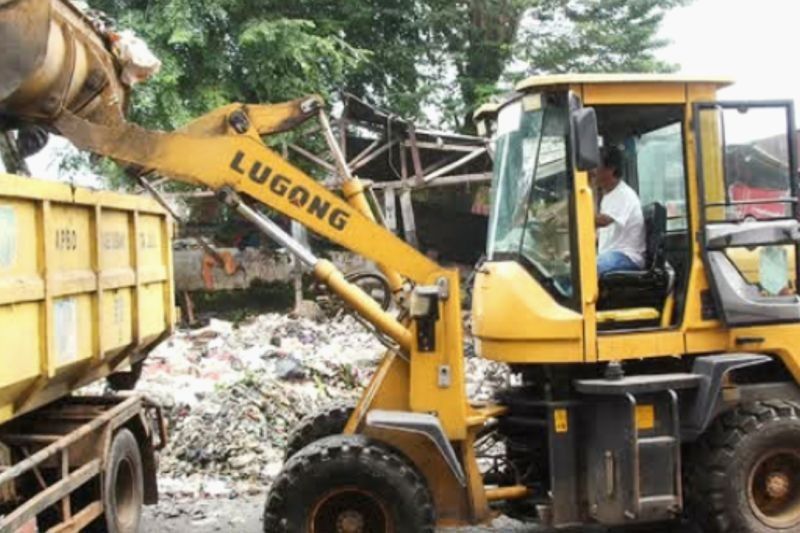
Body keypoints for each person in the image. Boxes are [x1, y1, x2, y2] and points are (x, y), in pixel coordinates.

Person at [594, 146, 646, 276]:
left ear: (610, 169)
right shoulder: (607, 196)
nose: (592, 172)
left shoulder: (623, 194)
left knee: (588, 270)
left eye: (596, 166)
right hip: (609, 254)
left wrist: (573, 216)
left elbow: (603, 221)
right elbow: (601, 235)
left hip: (627, 256)